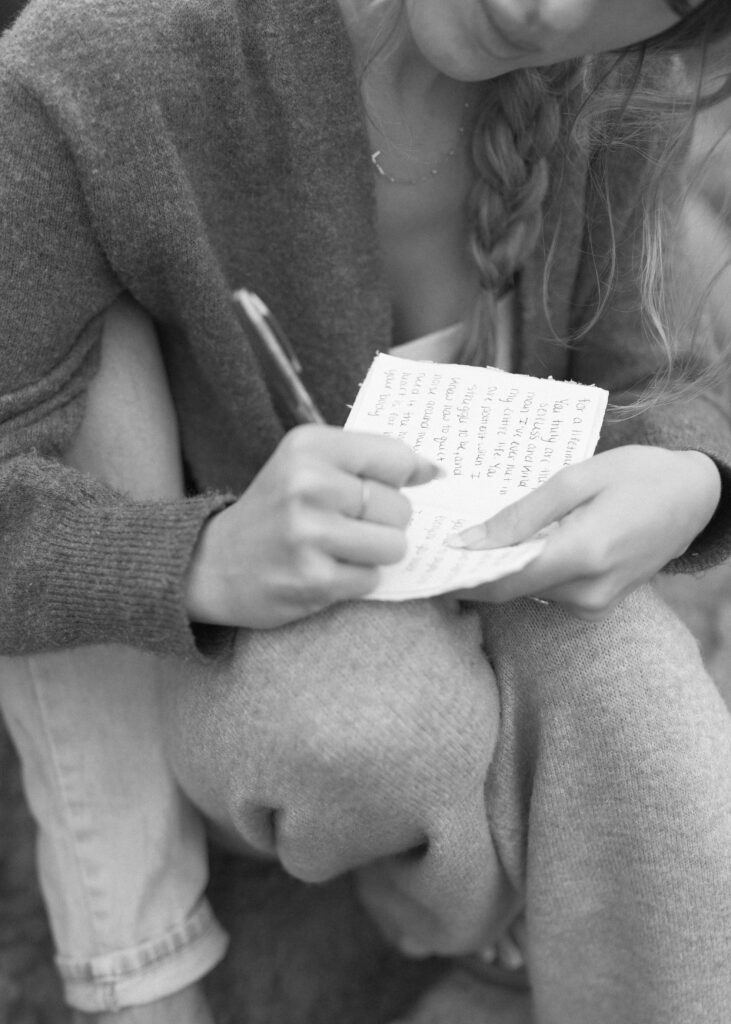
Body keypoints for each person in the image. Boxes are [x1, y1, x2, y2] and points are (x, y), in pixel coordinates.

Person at [0, 1, 730, 1022]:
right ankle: (468, 916)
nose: (545, 10)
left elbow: (663, 374)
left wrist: (692, 475)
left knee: (647, 699)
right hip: (249, 669)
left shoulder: (614, 83)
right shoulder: (101, 62)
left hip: (509, 609)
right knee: (378, 726)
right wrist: (201, 558)